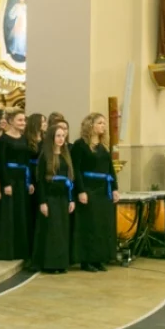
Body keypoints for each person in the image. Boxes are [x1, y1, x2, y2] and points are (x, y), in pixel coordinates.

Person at [73, 113, 119, 272]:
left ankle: (99, 258)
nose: (103, 126)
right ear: (90, 125)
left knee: (102, 225)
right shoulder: (80, 145)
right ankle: (87, 260)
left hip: (103, 190)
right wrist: (81, 190)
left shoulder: (103, 146)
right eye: (100, 123)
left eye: (104, 123)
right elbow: (76, 170)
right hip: (89, 188)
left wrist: (114, 188)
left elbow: (110, 169)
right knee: (90, 225)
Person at [33, 125, 75, 274]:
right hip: (50, 198)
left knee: (62, 231)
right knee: (51, 231)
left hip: (63, 197)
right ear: (52, 137)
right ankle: (49, 263)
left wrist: (71, 199)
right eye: (58, 136)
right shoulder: (45, 156)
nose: (61, 139)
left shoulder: (66, 155)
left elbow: (71, 180)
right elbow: (40, 181)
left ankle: (61, 263)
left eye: (63, 136)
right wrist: (43, 202)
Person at [0, 108, 33, 261]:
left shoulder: (24, 139)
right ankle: (8, 250)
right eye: (20, 120)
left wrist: (30, 182)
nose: (23, 123)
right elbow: (2, 162)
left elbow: (27, 162)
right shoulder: (3, 140)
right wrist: (6, 183)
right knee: (9, 214)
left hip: (22, 179)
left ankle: (21, 250)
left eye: (24, 120)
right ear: (11, 121)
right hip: (10, 179)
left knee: (21, 213)